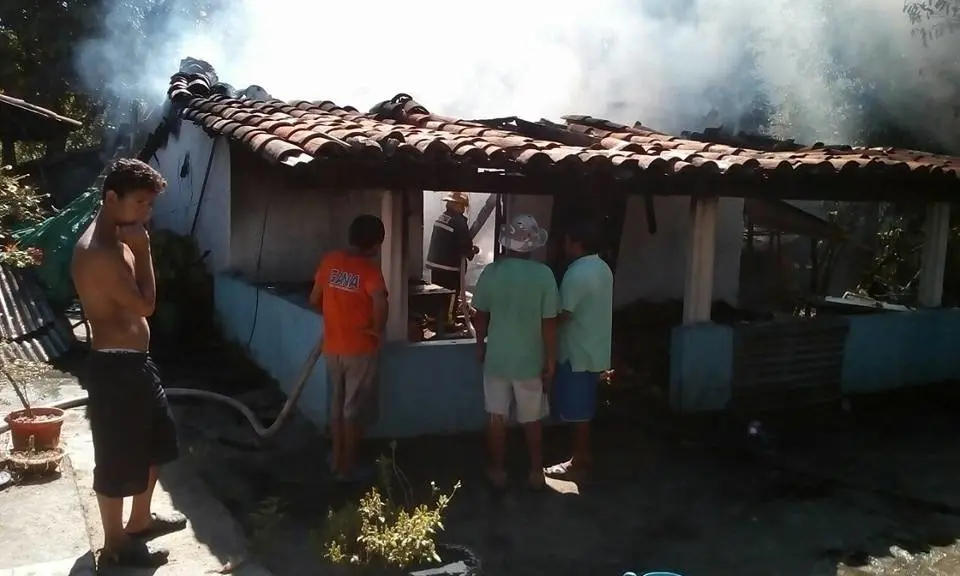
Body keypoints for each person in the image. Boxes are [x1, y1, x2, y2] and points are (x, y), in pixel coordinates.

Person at [71, 158, 186, 568]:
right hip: (115, 368)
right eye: (140, 203)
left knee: (156, 444)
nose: (146, 213)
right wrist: (144, 248)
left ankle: (139, 521)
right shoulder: (98, 251)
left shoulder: (117, 241)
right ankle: (115, 545)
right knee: (119, 457)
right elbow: (146, 304)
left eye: (149, 205)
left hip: (137, 364)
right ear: (111, 198)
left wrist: (135, 246)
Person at [472, 214, 558, 490]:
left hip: (497, 359)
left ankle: (497, 471)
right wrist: (550, 360)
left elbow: (480, 316)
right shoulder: (544, 275)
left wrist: (480, 345)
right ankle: (535, 471)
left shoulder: (491, 273)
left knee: (496, 417)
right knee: (532, 419)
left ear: (507, 244)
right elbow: (549, 324)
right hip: (529, 361)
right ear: (532, 246)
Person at [309, 214, 388, 483]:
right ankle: (347, 469)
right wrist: (377, 330)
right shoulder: (370, 271)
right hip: (360, 349)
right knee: (352, 410)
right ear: (377, 245)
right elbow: (379, 301)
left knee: (337, 404)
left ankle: (336, 459)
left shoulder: (330, 262)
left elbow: (314, 299)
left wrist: (336, 317)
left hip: (333, 348)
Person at [544, 220, 613, 483]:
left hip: (577, 351)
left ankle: (578, 460)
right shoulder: (602, 267)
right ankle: (581, 455)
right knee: (581, 406)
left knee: (578, 411)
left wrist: (541, 327)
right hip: (593, 346)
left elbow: (564, 314)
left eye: (566, 241)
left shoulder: (577, 273)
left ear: (575, 243)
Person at [425, 191, 479, 322]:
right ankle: (448, 323)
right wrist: (473, 251)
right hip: (450, 267)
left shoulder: (443, 217)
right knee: (451, 296)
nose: (463, 209)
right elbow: (465, 246)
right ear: (459, 205)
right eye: (462, 206)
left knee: (438, 294)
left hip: (436, 265)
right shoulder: (459, 221)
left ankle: (435, 319)